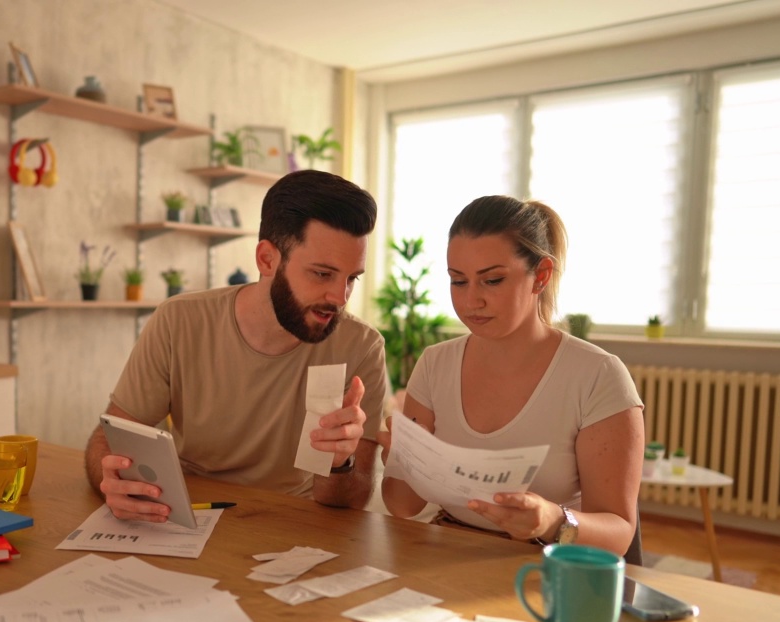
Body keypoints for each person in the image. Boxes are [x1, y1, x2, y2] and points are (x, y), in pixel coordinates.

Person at [85, 170, 389, 520]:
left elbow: (352, 500)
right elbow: (109, 437)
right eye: (322, 274)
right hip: (187, 510)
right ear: (267, 259)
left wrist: (340, 463)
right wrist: (110, 479)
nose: (340, 297)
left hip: (295, 521)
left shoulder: (361, 347)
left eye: (352, 278)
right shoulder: (180, 321)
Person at [382, 195, 643, 556]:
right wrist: (404, 460)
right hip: (445, 553)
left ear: (542, 276)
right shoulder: (434, 364)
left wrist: (552, 520)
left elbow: (619, 534)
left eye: (492, 280)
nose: (471, 300)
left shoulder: (597, 375)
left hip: (546, 562)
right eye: (458, 281)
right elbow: (402, 505)